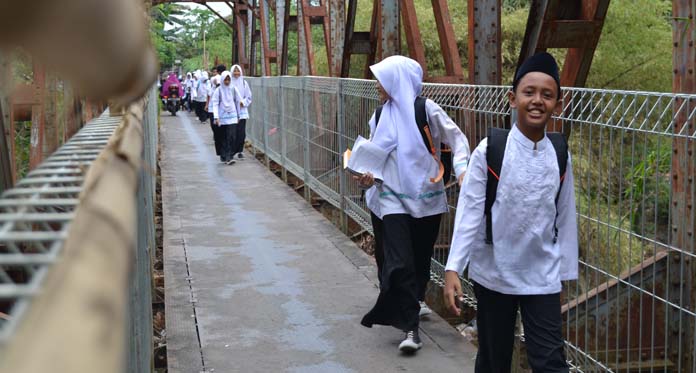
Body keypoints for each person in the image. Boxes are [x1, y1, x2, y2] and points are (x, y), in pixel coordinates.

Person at [443, 52, 578, 373]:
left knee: (550, 362)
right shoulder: (491, 151)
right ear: (512, 97)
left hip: (541, 276)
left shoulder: (559, 155)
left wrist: (565, 275)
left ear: (558, 104)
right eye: (528, 92)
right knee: (494, 359)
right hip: (495, 273)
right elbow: (470, 211)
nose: (537, 101)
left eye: (547, 95)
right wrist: (453, 268)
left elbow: (565, 215)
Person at [356, 55, 470, 354]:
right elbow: (372, 154)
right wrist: (366, 176)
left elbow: (457, 140)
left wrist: (462, 170)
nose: (377, 85)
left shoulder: (427, 110)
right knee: (399, 262)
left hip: (426, 198)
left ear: (397, 80)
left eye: (382, 79)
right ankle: (410, 329)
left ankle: (413, 302)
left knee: (419, 259)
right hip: (390, 196)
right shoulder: (379, 116)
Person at [211, 71, 241, 165]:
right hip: (222, 117)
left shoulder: (233, 89)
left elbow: (238, 101)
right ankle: (225, 156)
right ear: (222, 80)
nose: (227, 82)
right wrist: (216, 117)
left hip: (232, 115)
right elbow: (215, 104)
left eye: (228, 79)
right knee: (223, 137)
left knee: (232, 136)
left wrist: (238, 115)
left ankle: (230, 156)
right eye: (225, 80)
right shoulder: (218, 90)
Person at [229, 64, 252, 160]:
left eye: (238, 71)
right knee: (232, 132)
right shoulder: (229, 82)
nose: (236, 73)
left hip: (242, 111)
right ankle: (231, 150)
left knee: (241, 132)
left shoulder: (244, 83)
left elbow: (249, 96)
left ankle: (240, 150)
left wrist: (244, 102)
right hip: (231, 111)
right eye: (234, 71)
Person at [207, 68, 223, 161]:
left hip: (222, 113)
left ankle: (225, 152)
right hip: (212, 110)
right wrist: (207, 104)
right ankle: (220, 150)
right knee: (215, 129)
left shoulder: (224, 89)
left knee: (223, 132)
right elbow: (208, 96)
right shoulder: (212, 89)